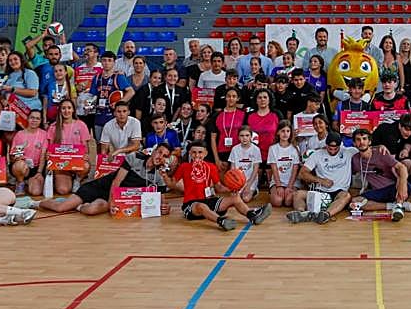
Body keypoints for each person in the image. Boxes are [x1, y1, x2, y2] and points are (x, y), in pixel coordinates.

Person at [32, 144, 174, 216]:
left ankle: (78, 206)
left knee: (91, 211)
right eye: (159, 152)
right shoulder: (134, 158)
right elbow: (116, 182)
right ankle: (34, 203)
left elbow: (160, 200)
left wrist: (164, 208)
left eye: (165, 156)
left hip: (115, 199)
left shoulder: (160, 176)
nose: (160, 156)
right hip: (100, 187)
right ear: (154, 151)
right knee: (61, 208)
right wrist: (112, 201)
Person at [172, 142, 270, 231]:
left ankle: (253, 215)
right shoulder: (184, 166)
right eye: (194, 152)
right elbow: (172, 183)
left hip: (209, 200)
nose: (197, 155)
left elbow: (219, 187)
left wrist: (232, 189)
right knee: (201, 206)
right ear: (189, 153)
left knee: (235, 198)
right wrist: (165, 177)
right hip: (191, 205)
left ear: (205, 153)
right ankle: (221, 221)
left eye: (200, 152)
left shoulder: (211, 167)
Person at [287, 133, 354, 225]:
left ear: (340, 145)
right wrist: (320, 180)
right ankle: (301, 213)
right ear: (326, 145)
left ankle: (325, 215)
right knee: (298, 194)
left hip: (338, 192)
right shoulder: (317, 154)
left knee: (346, 196)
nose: (333, 151)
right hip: (320, 191)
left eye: (336, 148)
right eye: (330, 148)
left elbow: (366, 149)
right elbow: (302, 173)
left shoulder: (348, 152)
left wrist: (381, 146)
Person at [349, 128, 411, 221]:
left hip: (393, 188)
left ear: (370, 141)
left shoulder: (380, 152)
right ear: (354, 143)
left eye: (364, 139)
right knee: (355, 203)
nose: (361, 142)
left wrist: (402, 185)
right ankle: (394, 206)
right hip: (378, 192)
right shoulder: (355, 159)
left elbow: (402, 167)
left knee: (405, 182)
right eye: (358, 139)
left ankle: (398, 206)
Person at [47, 98, 94, 196]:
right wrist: (49, 154)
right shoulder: (53, 127)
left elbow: (85, 147)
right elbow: (50, 147)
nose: (66, 111)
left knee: (85, 166)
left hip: (76, 162)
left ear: (73, 110)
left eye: (69, 108)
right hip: (61, 164)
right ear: (60, 110)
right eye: (63, 108)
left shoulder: (81, 125)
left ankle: (78, 179)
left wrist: (86, 155)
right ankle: (62, 178)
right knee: (63, 190)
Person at [266, 121, 301, 208]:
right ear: (278, 132)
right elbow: (274, 169)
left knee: (288, 201)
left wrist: (289, 186)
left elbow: (295, 170)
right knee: (277, 202)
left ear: (291, 133)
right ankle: (273, 192)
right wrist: (278, 186)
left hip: (292, 182)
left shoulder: (295, 148)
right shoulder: (273, 148)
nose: (285, 134)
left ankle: (290, 191)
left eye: (288, 131)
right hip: (277, 181)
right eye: (282, 131)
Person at [227, 125, 263, 203]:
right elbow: (232, 169)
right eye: (242, 136)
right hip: (238, 180)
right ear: (238, 137)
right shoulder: (235, 149)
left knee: (245, 199)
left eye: (247, 135)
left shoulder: (256, 150)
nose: (244, 138)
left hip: (250, 180)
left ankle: (254, 190)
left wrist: (248, 185)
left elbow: (255, 170)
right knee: (234, 199)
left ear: (251, 137)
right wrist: (234, 183)